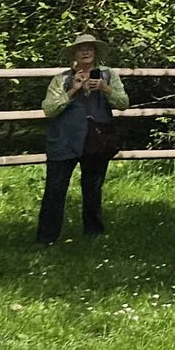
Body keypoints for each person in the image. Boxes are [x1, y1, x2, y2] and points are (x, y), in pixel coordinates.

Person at [36, 33, 127, 243]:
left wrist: (105, 89)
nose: (85, 52)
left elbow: (123, 102)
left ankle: (93, 235)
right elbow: (49, 109)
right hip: (64, 141)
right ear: (74, 54)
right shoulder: (62, 79)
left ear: (95, 53)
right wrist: (73, 90)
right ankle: (46, 239)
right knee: (55, 190)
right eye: (81, 49)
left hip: (97, 141)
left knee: (93, 190)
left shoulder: (108, 75)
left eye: (89, 48)